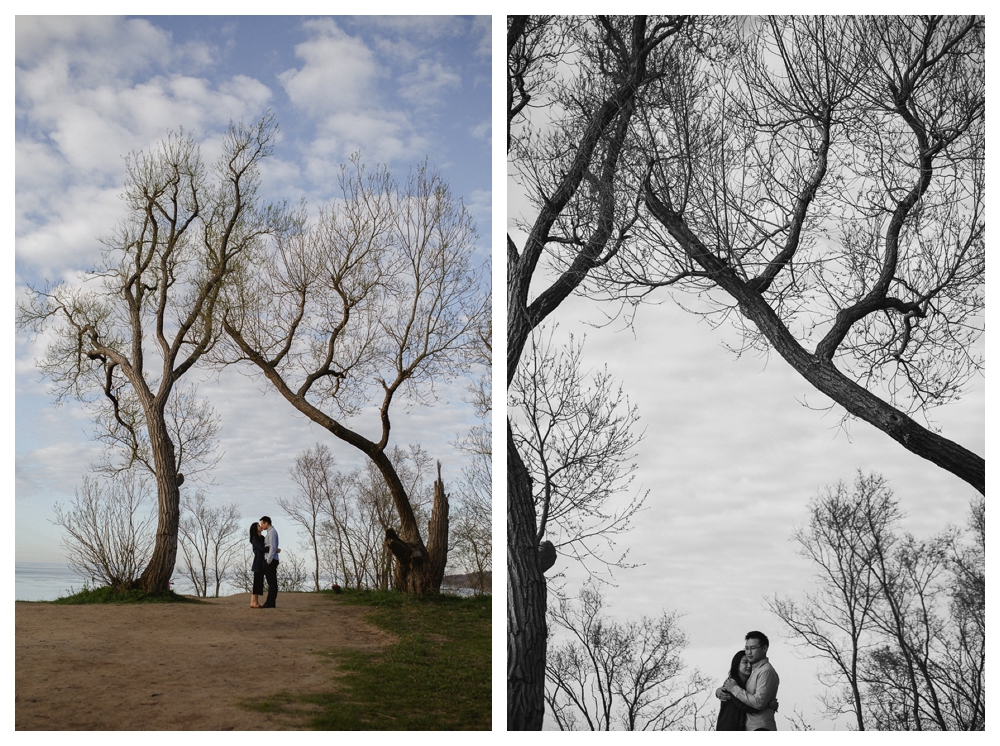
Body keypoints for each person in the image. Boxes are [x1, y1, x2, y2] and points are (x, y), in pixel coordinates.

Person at [722, 631, 780, 731]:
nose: (748, 652)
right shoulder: (753, 671)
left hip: (761, 728)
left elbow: (758, 703)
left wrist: (734, 689)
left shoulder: (766, 672)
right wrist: (720, 690)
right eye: (747, 648)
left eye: (753, 648)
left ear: (764, 648)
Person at [715, 651, 758, 731]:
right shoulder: (731, 683)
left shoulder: (747, 683)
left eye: (751, 663)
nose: (749, 666)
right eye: (745, 662)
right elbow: (743, 705)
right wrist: (766, 705)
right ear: (737, 665)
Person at [259, 515, 279, 608]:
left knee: (272, 582)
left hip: (271, 560)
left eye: (262, 524)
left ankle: (270, 602)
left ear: (266, 523)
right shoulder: (270, 532)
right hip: (270, 559)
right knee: (271, 582)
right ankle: (271, 602)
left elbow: (272, 547)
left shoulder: (272, 532)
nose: (261, 526)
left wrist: (269, 560)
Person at [248, 522, 266, 609]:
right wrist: (271, 549)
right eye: (259, 526)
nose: (260, 526)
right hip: (258, 561)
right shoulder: (255, 538)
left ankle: (255, 602)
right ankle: (253, 602)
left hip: (262, 561)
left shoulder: (262, 537)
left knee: (259, 582)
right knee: (257, 582)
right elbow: (261, 548)